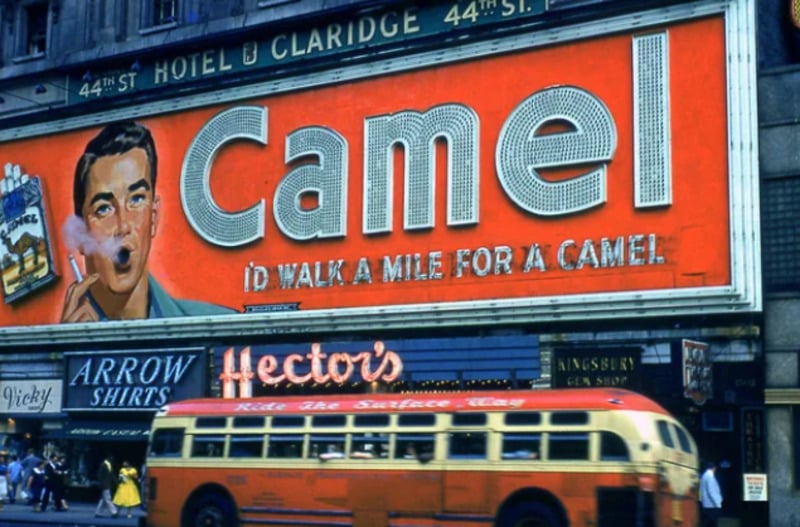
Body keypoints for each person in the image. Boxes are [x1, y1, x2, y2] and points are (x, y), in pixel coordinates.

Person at [61, 121, 236, 322]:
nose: (123, 226)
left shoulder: (219, 324)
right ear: (81, 234)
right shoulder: (55, 346)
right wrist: (62, 347)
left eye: (136, 199)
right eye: (104, 209)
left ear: (153, 216)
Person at [700, 461, 723, 527]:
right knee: (712, 524)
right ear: (714, 468)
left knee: (708, 523)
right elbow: (711, 491)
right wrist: (717, 503)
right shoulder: (710, 476)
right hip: (712, 505)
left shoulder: (704, 476)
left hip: (707, 504)